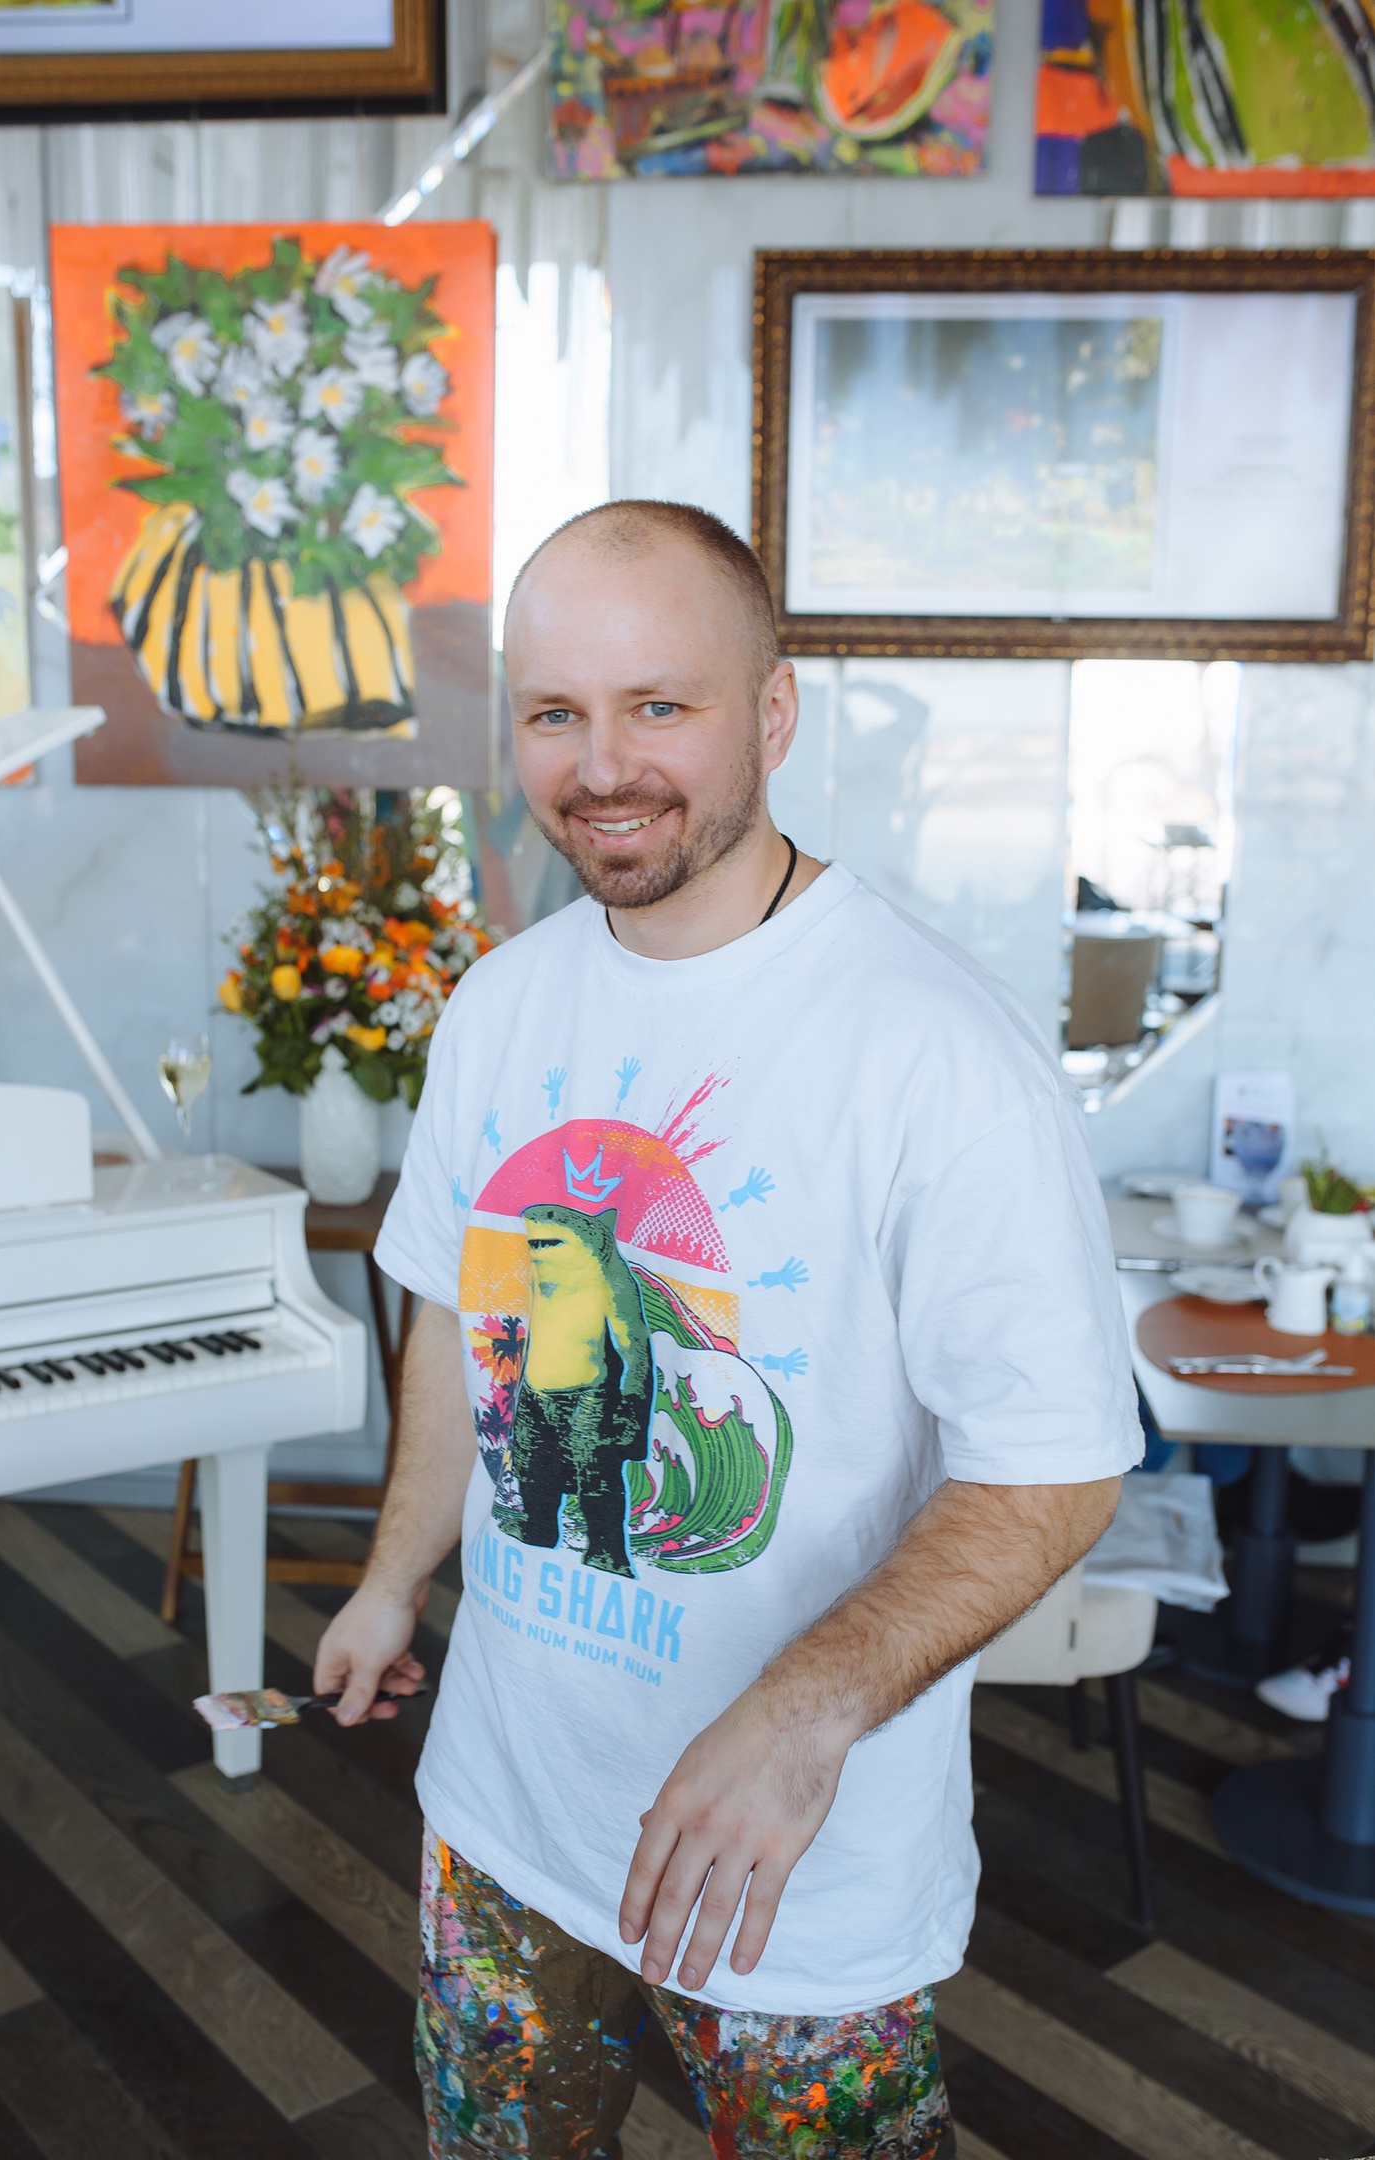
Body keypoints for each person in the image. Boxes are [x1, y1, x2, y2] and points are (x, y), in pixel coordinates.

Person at [315, 501, 1142, 2159]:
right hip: (501, 1816)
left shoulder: (939, 1053)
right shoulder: (500, 1003)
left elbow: (1053, 1471)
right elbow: (456, 1321)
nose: (601, 766)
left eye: (659, 705)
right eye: (556, 713)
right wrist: (396, 1573)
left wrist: (798, 1712)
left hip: (790, 1868)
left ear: (771, 714)